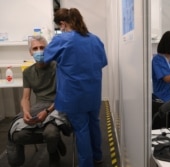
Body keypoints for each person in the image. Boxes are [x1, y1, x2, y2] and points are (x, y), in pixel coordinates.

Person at [43, 8, 108, 167]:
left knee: (81, 129)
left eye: (60, 26)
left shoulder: (62, 39)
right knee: (94, 123)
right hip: (93, 92)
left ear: (63, 24)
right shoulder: (95, 39)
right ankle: (98, 156)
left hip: (74, 95)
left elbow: (45, 57)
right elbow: (103, 62)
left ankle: (86, 164)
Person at [6, 36, 71, 167]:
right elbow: (25, 98)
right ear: (30, 52)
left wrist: (47, 112)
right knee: (17, 135)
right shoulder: (28, 72)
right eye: (35, 48)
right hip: (40, 107)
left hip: (58, 106)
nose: (39, 51)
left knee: (51, 133)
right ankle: (55, 142)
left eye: (42, 47)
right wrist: (25, 112)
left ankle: (53, 152)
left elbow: (63, 95)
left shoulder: (58, 67)